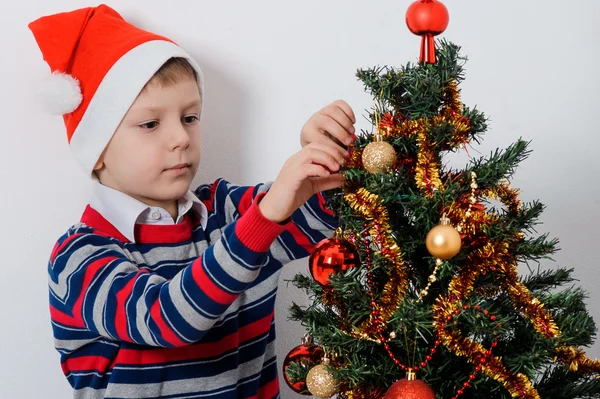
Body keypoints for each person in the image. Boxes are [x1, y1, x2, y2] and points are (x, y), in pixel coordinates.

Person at [29, 4, 356, 399]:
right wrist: (266, 214)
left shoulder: (225, 211)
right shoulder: (79, 256)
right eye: (150, 124)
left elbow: (329, 215)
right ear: (97, 149)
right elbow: (167, 320)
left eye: (190, 118)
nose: (181, 138)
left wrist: (328, 154)